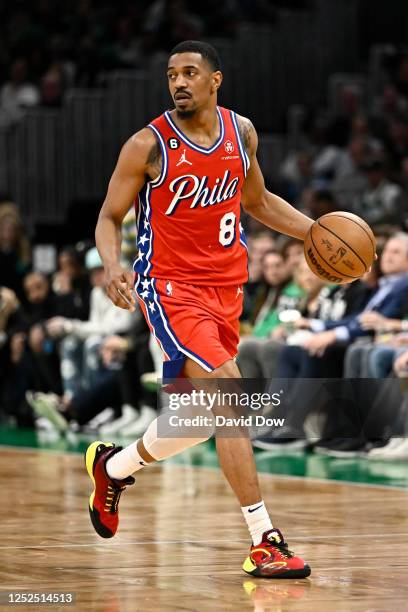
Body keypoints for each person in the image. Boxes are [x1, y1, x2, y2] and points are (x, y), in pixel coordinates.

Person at [85, 40, 316, 579]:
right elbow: (107, 216)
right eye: (171, 75)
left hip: (226, 290)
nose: (178, 82)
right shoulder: (148, 144)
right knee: (229, 396)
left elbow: (257, 202)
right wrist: (112, 264)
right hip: (171, 290)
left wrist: (314, 231)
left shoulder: (243, 132)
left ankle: (112, 467)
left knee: (200, 419)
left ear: (216, 80)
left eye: (190, 73)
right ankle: (265, 540)